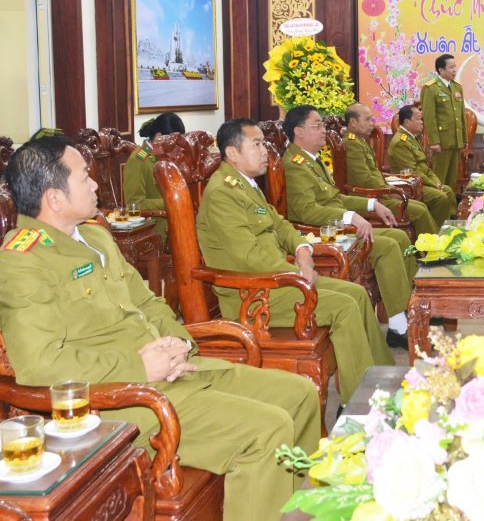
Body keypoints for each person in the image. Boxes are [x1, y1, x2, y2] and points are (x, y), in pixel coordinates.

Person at [0, 135, 320, 520]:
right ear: (54, 197)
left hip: (172, 371)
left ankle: (287, 508)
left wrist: (179, 342)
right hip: (120, 400)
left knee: (300, 394)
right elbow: (40, 366)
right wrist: (139, 366)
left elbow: (149, 301)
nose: (96, 184)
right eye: (85, 177)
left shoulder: (96, 235)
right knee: (267, 429)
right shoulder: (23, 260)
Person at [196, 118, 395, 402]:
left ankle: (382, 380)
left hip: (279, 278)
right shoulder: (222, 194)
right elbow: (250, 258)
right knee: (344, 306)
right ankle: (362, 405)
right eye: (256, 145)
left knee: (358, 293)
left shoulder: (244, 184)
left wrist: (303, 252)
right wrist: (297, 274)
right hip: (253, 295)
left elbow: (281, 225)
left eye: (263, 143)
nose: (265, 151)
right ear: (232, 154)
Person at [281, 104, 416, 348]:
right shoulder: (294, 163)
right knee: (385, 245)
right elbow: (307, 211)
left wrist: (373, 205)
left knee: (400, 238)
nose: (324, 130)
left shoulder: (311, 160)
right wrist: (350, 217)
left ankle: (407, 310)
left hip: (335, 224)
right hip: (319, 232)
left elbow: (335, 198)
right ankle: (398, 326)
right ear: (298, 131)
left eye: (323, 125)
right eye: (317, 126)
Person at [342, 103, 439, 235]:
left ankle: (430, 245)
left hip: (378, 192)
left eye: (372, 119)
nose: (372, 123)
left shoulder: (360, 140)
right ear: (353, 123)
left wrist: (389, 188)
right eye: (367, 120)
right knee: (420, 211)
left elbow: (374, 173)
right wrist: (389, 191)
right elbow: (364, 179)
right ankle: (433, 249)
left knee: (421, 206)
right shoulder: (352, 144)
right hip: (368, 197)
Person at [387, 104, 458, 225]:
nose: (422, 123)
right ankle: (435, 231)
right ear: (407, 122)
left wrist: (437, 183)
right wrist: (434, 185)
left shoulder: (412, 138)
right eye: (418, 119)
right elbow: (413, 172)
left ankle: (448, 225)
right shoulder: (400, 142)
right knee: (440, 196)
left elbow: (426, 168)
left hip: (421, 181)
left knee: (448, 190)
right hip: (410, 185)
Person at [123, 112, 185, 241]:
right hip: (157, 224)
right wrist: (170, 202)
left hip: (176, 216)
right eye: (173, 142)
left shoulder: (166, 155)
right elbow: (134, 203)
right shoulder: (139, 159)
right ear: (158, 137)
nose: (176, 147)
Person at [419, 53, 468, 192]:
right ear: (441, 70)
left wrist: (463, 139)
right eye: (451, 67)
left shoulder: (457, 87)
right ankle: (440, 209)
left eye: (455, 67)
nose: (454, 70)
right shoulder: (431, 88)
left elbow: (461, 115)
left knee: (452, 177)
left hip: (456, 139)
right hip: (441, 140)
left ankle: (451, 209)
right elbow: (429, 117)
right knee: (440, 177)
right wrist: (434, 141)